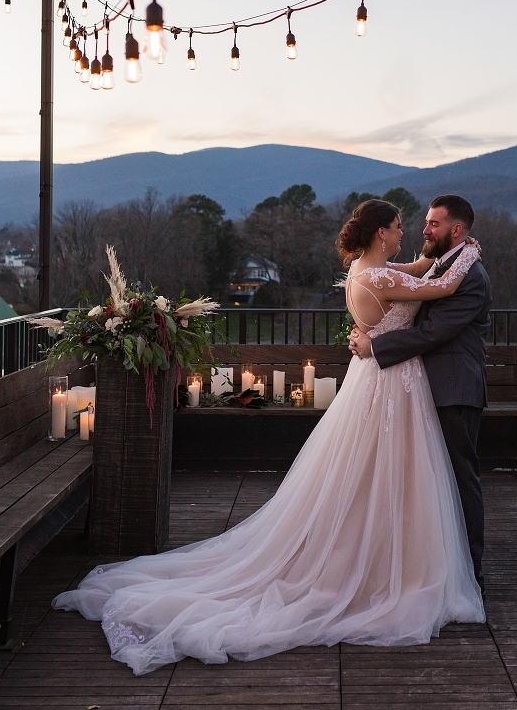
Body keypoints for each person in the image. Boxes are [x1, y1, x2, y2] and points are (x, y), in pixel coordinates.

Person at [53, 199, 485, 675]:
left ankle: (386, 556)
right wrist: (468, 252)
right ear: (381, 233)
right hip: (391, 383)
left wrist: (447, 258)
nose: (407, 232)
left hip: (381, 378)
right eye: (400, 226)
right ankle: (386, 566)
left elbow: (421, 268)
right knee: (386, 471)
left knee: (375, 473)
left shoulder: (368, 270)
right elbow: (440, 283)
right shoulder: (381, 277)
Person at [350, 194, 492, 598]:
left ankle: (470, 576)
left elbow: (434, 332)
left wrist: (375, 346)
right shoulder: (443, 262)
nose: (423, 230)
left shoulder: (470, 276)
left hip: (454, 388)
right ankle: (423, 569)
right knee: (424, 482)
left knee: (460, 480)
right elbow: (420, 276)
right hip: (417, 386)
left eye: (433, 224)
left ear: (456, 231)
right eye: (423, 222)